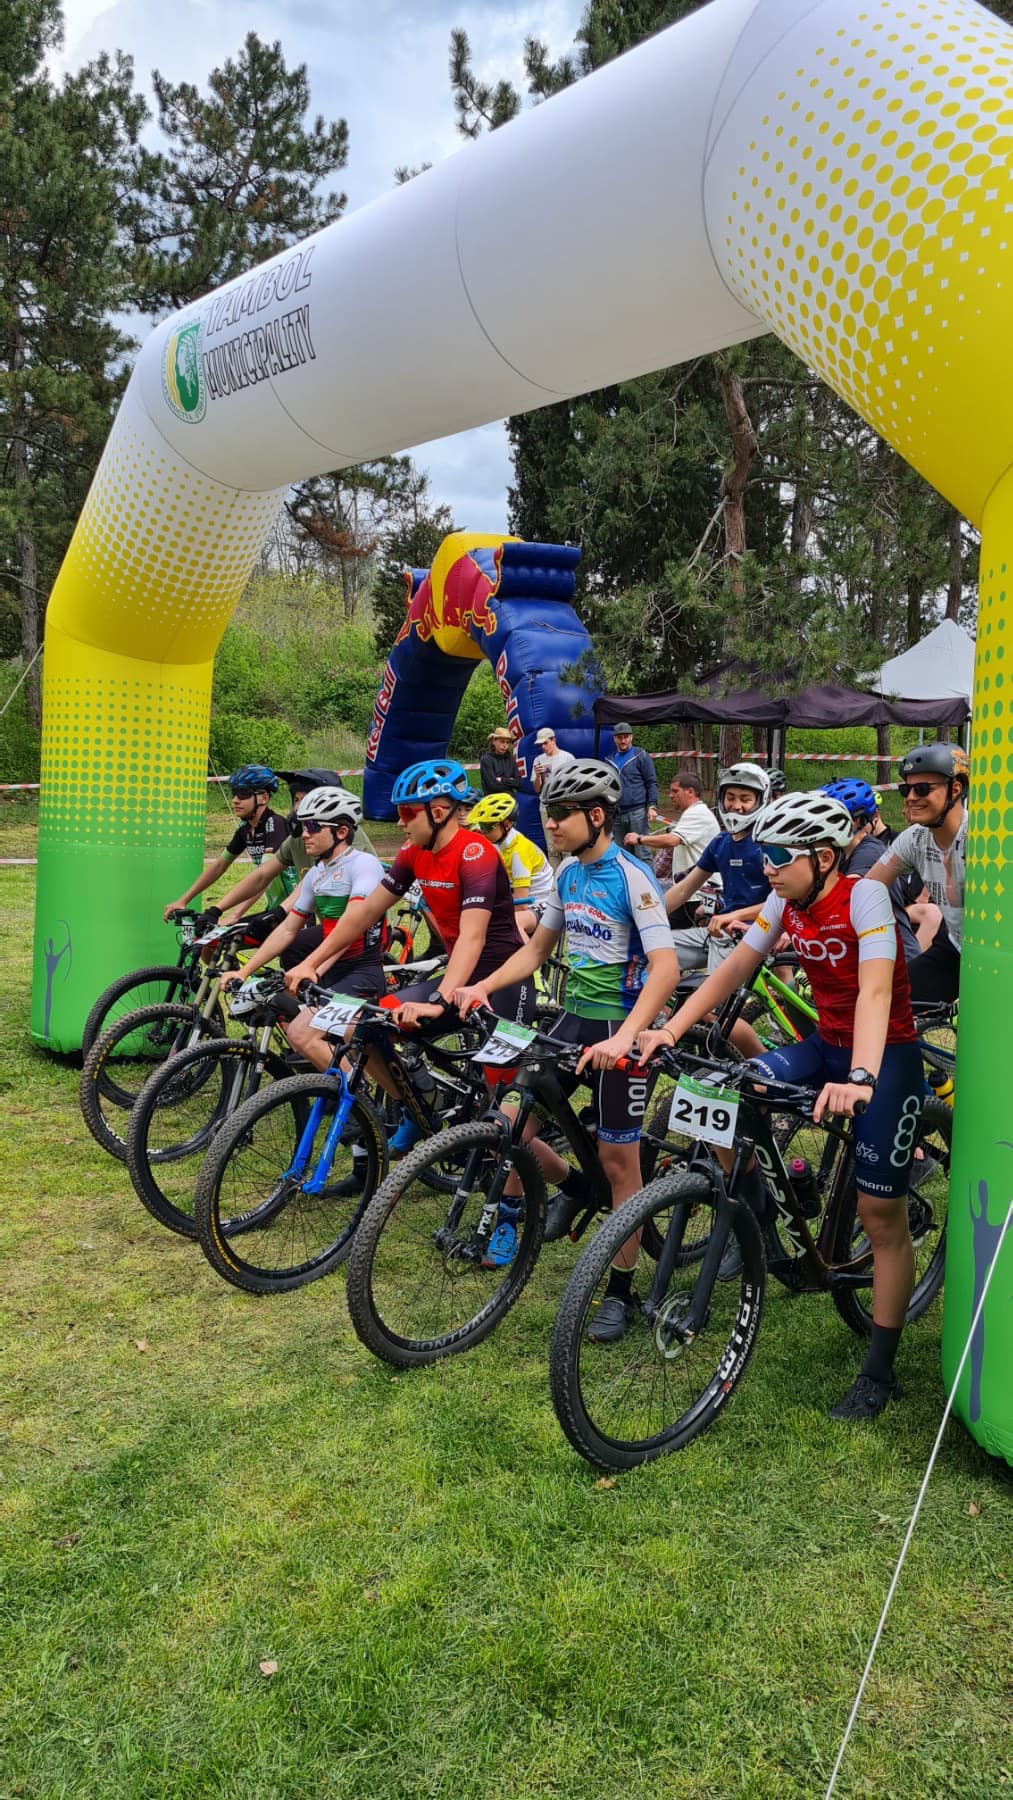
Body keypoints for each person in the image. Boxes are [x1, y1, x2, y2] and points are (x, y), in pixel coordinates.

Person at [638, 789, 924, 1423]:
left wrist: (861, 1076)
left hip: (886, 1057)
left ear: (822, 857)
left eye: (778, 854)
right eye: (763, 853)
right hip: (824, 1045)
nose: (765, 865)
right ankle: (765, 1209)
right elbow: (734, 969)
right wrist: (672, 1028)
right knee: (731, 1090)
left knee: (880, 1218)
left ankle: (879, 1371)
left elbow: (876, 993)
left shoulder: (865, 897)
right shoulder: (784, 900)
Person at [454, 759, 677, 1337]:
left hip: (620, 1028)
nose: (549, 823)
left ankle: (621, 1291)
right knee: (510, 1123)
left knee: (619, 1161)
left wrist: (627, 1036)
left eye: (560, 813)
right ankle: (575, 1188)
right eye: (548, 812)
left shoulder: (632, 877)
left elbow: (666, 968)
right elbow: (534, 951)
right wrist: (483, 986)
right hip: (571, 1023)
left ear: (596, 816)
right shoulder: (569, 873)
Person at [282, 758, 534, 1153]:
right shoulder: (413, 851)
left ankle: (508, 1165)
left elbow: (472, 937)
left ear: (439, 812)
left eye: (407, 813)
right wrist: (311, 962)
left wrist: (441, 999)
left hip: (503, 980)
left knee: (499, 1095)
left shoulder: (476, 854)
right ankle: (417, 1107)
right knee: (367, 1026)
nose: (399, 822)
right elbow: (364, 913)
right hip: (459, 977)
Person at [223, 787, 386, 1072]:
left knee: (302, 1034)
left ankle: (358, 1098)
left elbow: (352, 926)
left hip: (360, 972)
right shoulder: (316, 874)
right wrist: (244, 972)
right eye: (302, 826)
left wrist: (312, 966)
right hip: (329, 970)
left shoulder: (364, 865)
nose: (304, 834)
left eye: (313, 826)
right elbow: (288, 929)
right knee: (299, 1025)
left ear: (342, 831)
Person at [865, 744, 969, 1003]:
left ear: (955, 789)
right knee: (889, 1000)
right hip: (953, 945)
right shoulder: (915, 838)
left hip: (993, 953)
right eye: (906, 789)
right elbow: (867, 889)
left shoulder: (975, 837)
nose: (911, 797)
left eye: (922, 789)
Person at [663, 762, 771, 972]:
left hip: (756, 933)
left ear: (760, 801)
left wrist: (734, 916)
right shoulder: (721, 843)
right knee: (654, 950)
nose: (736, 806)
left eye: (745, 799)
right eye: (730, 797)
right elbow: (684, 889)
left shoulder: (768, 845)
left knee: (714, 991)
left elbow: (781, 904)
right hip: (720, 930)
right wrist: (648, 917)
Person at [162, 765, 287, 923]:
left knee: (230, 934)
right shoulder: (245, 829)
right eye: (234, 793)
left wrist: (232, 914)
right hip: (274, 910)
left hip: (292, 913)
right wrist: (183, 900)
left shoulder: (275, 825)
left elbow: (264, 877)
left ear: (263, 797)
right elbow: (219, 865)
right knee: (216, 937)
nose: (235, 800)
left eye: (243, 794)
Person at [821, 778, 923, 963]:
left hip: (897, 960)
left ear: (856, 821)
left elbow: (844, 897)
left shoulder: (870, 853)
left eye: (830, 819)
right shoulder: (839, 853)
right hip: (864, 951)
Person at [628, 769, 719, 915]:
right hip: (689, 893)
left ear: (690, 792)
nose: (670, 795)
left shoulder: (697, 813)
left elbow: (672, 840)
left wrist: (639, 839)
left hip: (699, 895)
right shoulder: (693, 813)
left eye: (675, 791)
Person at [466, 792, 556, 935]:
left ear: (506, 824)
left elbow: (521, 903)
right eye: (481, 826)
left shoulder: (518, 852)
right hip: (526, 902)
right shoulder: (500, 842)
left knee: (513, 923)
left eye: (487, 828)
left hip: (543, 905)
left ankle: (527, 951)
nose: (483, 832)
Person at [607, 721, 659, 864]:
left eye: (626, 737)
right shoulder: (609, 760)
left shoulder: (641, 755)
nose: (623, 740)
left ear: (631, 737)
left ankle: (649, 879)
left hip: (638, 812)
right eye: (619, 737)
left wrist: (652, 806)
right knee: (621, 856)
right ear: (615, 739)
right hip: (617, 814)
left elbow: (651, 782)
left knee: (642, 853)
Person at [532, 728, 576, 864]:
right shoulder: (538, 760)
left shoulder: (567, 757)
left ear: (553, 740)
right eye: (541, 744)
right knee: (552, 847)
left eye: (545, 743)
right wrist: (538, 776)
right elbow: (537, 789)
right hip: (545, 807)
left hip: (563, 806)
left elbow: (574, 783)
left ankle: (568, 873)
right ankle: (555, 875)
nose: (543, 747)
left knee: (567, 846)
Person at [480, 728, 520, 797]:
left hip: (510, 799)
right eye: (502, 741)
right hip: (492, 800)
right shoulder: (486, 759)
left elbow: (519, 783)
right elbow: (493, 786)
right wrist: (510, 781)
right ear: (493, 741)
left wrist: (502, 780)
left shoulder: (510, 759)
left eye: (507, 742)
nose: (505, 745)